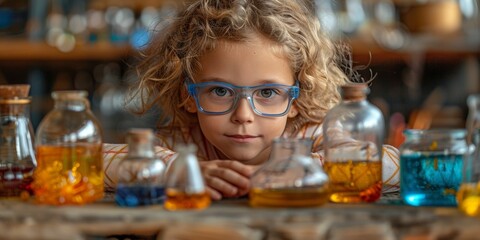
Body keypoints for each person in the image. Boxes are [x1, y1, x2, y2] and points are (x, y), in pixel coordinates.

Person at [103, 0, 399, 200]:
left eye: (268, 93)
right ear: (188, 96)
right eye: (220, 91)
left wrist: (294, 171)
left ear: (297, 98)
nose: (243, 115)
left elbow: (390, 162)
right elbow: (93, 159)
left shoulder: (310, 135)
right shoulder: (185, 146)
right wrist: (171, 170)